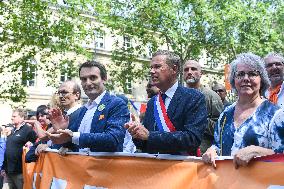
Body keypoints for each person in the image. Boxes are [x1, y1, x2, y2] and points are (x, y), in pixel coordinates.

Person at [202, 53, 284, 168]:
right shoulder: (225, 114)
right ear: (234, 80)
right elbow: (218, 145)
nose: (246, 78)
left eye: (252, 74)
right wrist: (212, 150)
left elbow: (281, 157)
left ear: (262, 80)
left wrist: (257, 151)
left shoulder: (275, 115)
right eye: (240, 74)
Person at [125, 50, 207, 155]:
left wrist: (150, 136)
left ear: (174, 69)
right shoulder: (152, 103)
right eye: (151, 67)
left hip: (181, 168)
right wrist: (136, 134)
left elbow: (192, 139)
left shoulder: (193, 97)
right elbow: (146, 144)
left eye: (157, 67)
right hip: (154, 167)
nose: (152, 71)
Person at [47, 61, 130, 152]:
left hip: (104, 166)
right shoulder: (84, 110)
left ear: (104, 79)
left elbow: (113, 139)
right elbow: (72, 143)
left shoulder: (116, 104)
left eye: (93, 78)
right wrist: (62, 130)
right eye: (83, 79)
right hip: (81, 165)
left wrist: (72, 136)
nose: (88, 83)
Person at [183, 60, 224, 154]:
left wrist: (198, 119)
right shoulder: (177, 96)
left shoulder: (211, 96)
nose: (189, 72)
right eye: (186, 70)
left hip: (203, 154)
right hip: (181, 153)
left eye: (193, 69)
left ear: (201, 73)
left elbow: (220, 128)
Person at [3, 109, 37, 189]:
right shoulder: (12, 131)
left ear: (22, 118)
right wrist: (4, 168)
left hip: (20, 172)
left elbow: (36, 144)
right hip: (8, 172)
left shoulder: (28, 130)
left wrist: (31, 144)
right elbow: (7, 150)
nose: (12, 118)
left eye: (14, 116)